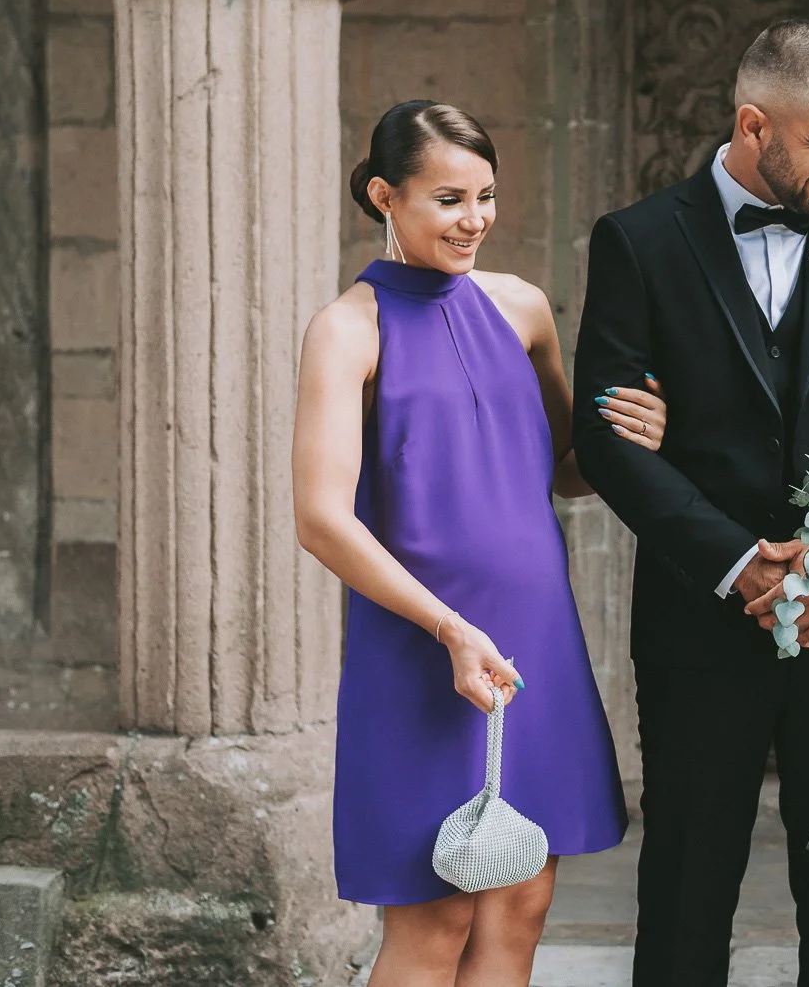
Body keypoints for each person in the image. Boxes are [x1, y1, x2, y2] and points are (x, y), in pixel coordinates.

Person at [572, 19, 809, 987]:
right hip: (700, 620)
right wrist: (741, 563)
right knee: (688, 883)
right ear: (753, 125)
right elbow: (606, 435)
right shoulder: (640, 241)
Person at [292, 100, 664, 987]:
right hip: (424, 649)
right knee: (437, 912)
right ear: (385, 194)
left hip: (534, 642)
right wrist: (450, 629)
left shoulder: (524, 309)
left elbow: (566, 466)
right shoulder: (348, 329)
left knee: (522, 900)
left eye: (486, 196)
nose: (475, 221)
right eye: (448, 199)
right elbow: (320, 517)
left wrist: (637, 435)